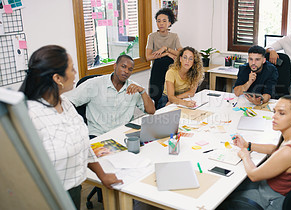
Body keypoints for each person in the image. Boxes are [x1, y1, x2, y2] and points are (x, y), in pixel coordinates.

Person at [20, 45, 123, 209]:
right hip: (46, 197)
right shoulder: (30, 115)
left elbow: (82, 144)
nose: (75, 73)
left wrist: (102, 175)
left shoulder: (65, 103)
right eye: (72, 69)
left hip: (73, 189)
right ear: (57, 78)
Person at [219, 95, 291, 209]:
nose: (274, 117)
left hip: (270, 199)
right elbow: (276, 149)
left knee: (222, 197)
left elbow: (254, 175)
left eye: (281, 113)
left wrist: (245, 156)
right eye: (274, 112)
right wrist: (248, 145)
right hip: (277, 192)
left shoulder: (288, 152)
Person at [68, 54, 155, 138]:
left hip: (123, 134)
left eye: (130, 69)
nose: (126, 71)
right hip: (98, 135)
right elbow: (69, 103)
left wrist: (143, 91)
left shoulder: (134, 88)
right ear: (115, 66)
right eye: (123, 66)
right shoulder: (94, 84)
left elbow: (151, 111)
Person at [146, 8, 183, 108]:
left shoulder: (174, 36)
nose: (161, 23)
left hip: (171, 71)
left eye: (164, 21)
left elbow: (181, 53)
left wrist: (166, 49)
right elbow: (148, 57)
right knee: (157, 98)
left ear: (170, 23)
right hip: (157, 71)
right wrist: (166, 54)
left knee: (169, 98)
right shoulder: (152, 36)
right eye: (158, 21)